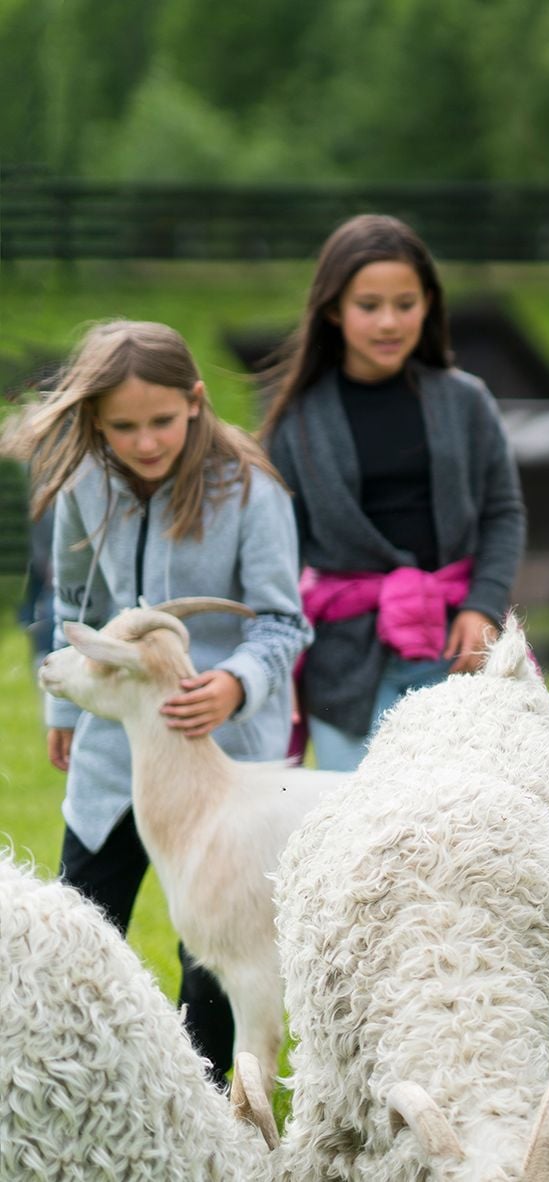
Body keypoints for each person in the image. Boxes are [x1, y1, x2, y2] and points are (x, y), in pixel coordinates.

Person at [2, 319, 311, 1085]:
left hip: (227, 761)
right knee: (78, 921)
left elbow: (282, 619)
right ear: (95, 423)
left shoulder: (251, 491)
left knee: (216, 946)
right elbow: (69, 600)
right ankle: (66, 1079)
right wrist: (66, 711)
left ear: (197, 402)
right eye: (123, 427)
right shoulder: (82, 486)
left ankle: (210, 1101)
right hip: (118, 759)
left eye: (163, 422)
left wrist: (237, 682)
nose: (145, 442)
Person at [260, 214, 526, 771]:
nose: (389, 322)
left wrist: (482, 607)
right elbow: (274, 551)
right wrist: (275, 660)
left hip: (456, 647)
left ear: (428, 304)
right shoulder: (295, 424)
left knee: (463, 816)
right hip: (343, 663)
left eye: (405, 304)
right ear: (333, 310)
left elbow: (503, 512)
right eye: (369, 305)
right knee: (357, 825)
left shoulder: (467, 402)